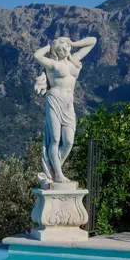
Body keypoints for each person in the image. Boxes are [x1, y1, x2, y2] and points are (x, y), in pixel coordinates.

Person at [33, 36, 97, 185]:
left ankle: (54, 171)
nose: (64, 50)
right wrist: (50, 46)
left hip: (69, 104)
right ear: (56, 50)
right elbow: (37, 55)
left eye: (66, 47)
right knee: (55, 139)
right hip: (54, 100)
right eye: (61, 48)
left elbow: (92, 41)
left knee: (68, 141)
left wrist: (72, 43)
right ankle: (59, 174)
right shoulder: (52, 64)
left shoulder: (74, 59)